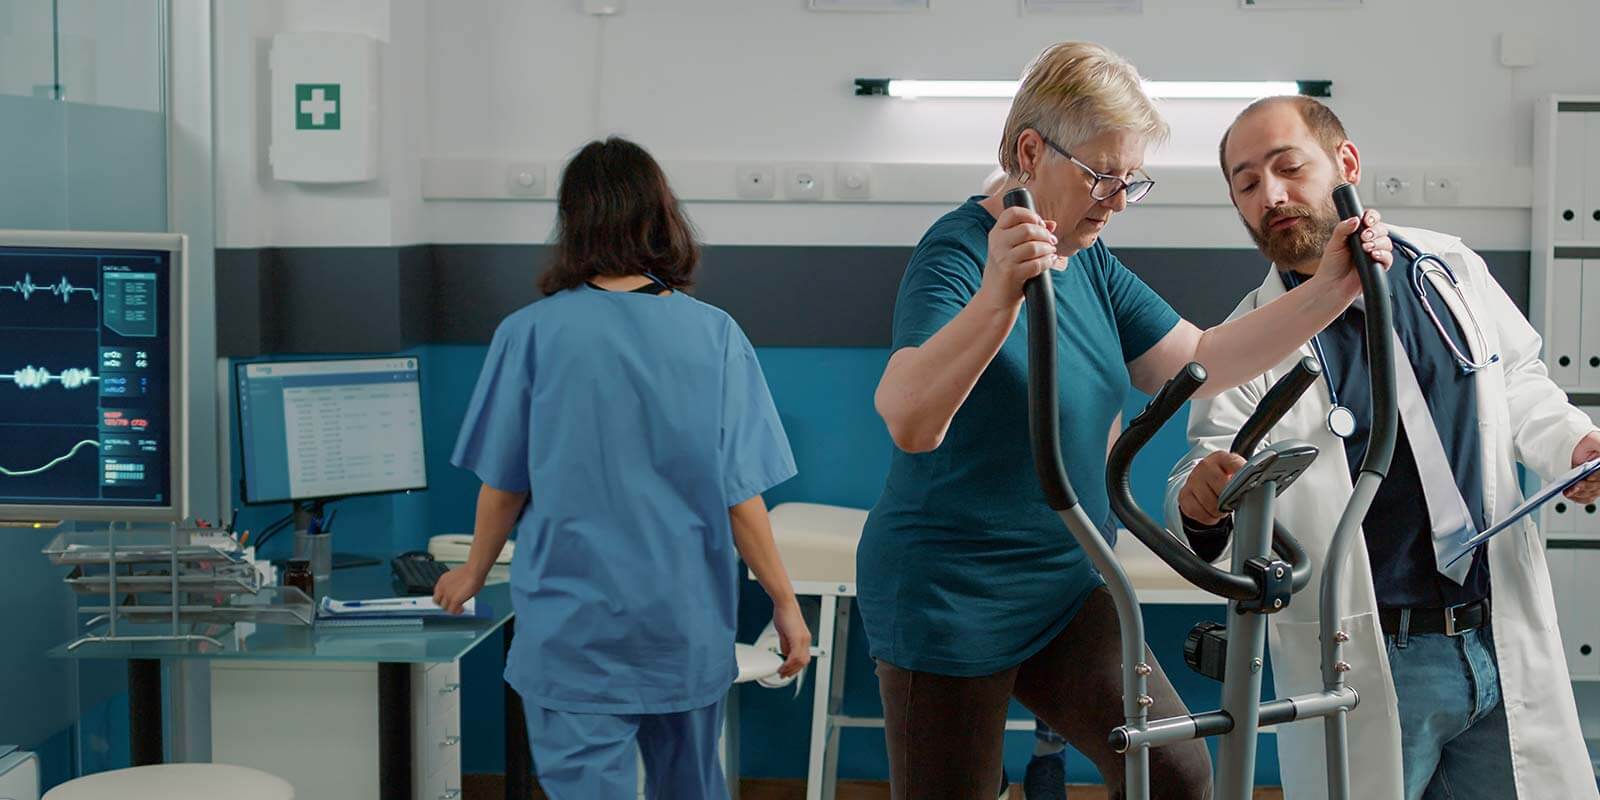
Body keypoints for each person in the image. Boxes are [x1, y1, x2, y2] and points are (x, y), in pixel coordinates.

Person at [858, 42, 1392, 799]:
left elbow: (1200, 357)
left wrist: (1334, 286)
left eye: (1130, 181)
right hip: (949, 592)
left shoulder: (1089, 260)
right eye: (1101, 176)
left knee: (1173, 773)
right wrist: (999, 296)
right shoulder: (957, 253)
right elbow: (909, 420)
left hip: (1065, 582)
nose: (1115, 201)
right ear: (1031, 152)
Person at [1167, 95, 1600, 800]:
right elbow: (1206, 470)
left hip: (1498, 632)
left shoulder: (1448, 268)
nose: (1270, 195)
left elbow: (1516, 381)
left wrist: (1573, 442)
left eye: (1288, 167)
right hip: (1373, 658)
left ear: (1347, 162)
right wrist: (1201, 497)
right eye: (1246, 184)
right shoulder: (1246, 340)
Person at [433, 137, 813, 799]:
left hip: (574, 632)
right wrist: (785, 603)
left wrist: (471, 571)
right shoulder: (714, 334)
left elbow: (504, 485)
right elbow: (740, 497)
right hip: (683, 627)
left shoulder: (529, 334)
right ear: (662, 215)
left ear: (572, 222)